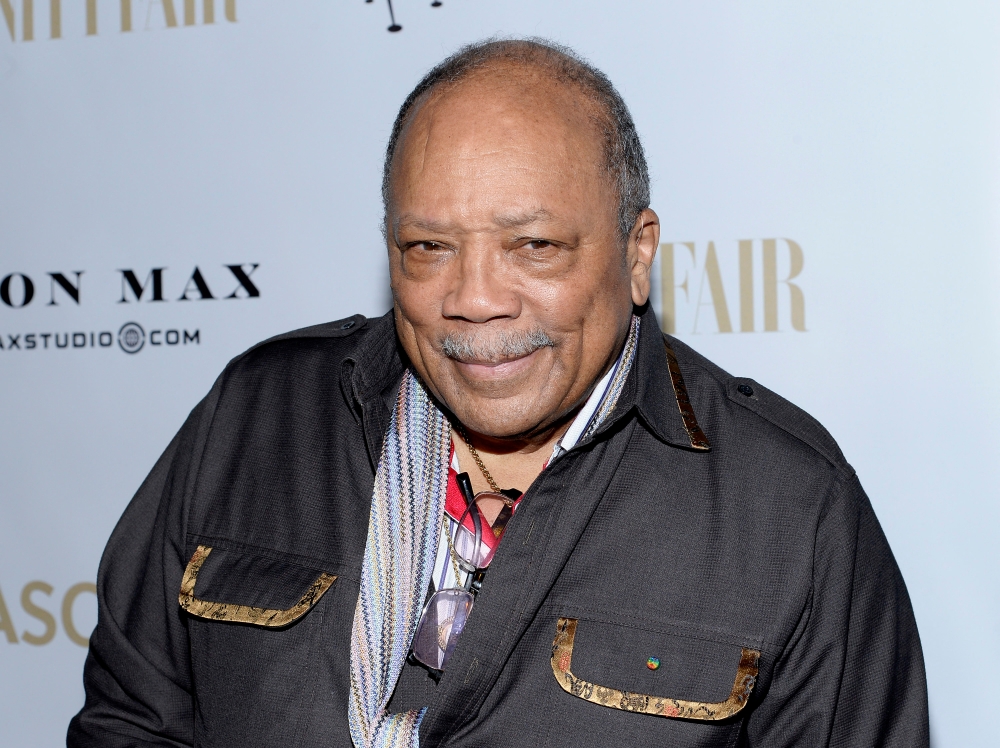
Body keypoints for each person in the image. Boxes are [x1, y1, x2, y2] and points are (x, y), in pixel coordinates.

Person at [68, 38, 928, 748]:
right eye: (428, 247)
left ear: (637, 254)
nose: (474, 298)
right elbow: (132, 720)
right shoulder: (255, 420)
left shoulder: (786, 507)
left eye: (535, 246)